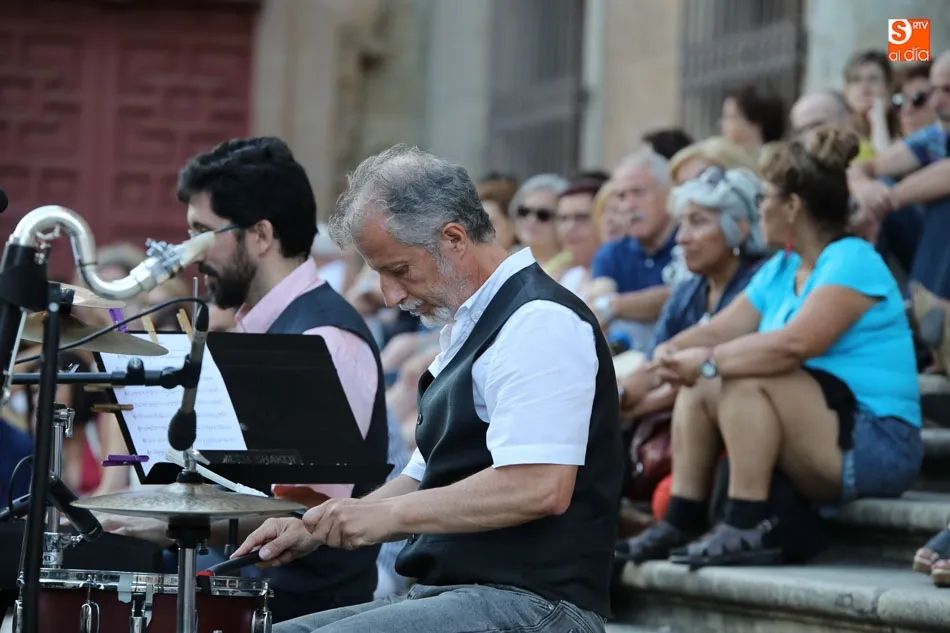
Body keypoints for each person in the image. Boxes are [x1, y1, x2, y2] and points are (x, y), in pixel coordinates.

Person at [232, 144, 623, 633]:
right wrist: (319, 524)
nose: (390, 295)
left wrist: (388, 518)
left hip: (537, 604)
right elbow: (422, 478)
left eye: (398, 270)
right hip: (466, 595)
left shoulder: (540, 321)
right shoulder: (473, 325)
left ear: (454, 238)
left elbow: (539, 485)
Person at [100, 137, 389, 623]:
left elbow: (307, 508)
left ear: (259, 235)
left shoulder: (324, 339)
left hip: (300, 613)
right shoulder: (263, 329)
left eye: (202, 233)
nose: (190, 255)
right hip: (244, 600)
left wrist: (164, 522)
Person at [620, 126, 922, 568]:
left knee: (743, 377)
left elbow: (793, 345)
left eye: (764, 198)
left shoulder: (852, 259)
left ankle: (745, 523)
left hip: (877, 443)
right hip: (823, 428)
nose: (759, 207)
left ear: (793, 206)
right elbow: (718, 330)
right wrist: (669, 353)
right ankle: (680, 520)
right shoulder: (781, 267)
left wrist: (707, 363)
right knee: (703, 384)